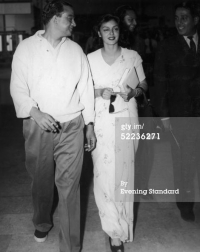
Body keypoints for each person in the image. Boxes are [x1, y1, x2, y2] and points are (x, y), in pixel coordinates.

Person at [10, 1, 96, 251]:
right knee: (41, 181)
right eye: (70, 18)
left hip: (72, 126)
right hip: (39, 127)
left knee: (70, 186)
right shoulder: (26, 48)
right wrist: (35, 112)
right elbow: (17, 88)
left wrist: (89, 124)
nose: (74, 23)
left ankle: (70, 247)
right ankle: (42, 221)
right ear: (55, 18)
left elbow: (86, 89)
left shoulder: (76, 50)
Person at [87, 14, 147, 252]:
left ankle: (123, 225)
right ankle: (114, 233)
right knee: (103, 175)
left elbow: (143, 84)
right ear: (98, 33)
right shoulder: (89, 59)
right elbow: (82, 91)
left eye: (114, 29)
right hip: (101, 121)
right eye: (105, 29)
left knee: (123, 175)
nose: (111, 33)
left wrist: (133, 93)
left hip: (127, 118)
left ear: (120, 32)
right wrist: (98, 91)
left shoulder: (132, 56)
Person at [153, 0, 200, 222]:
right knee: (183, 161)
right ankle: (185, 204)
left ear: (196, 20)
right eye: (177, 18)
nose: (179, 22)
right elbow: (160, 81)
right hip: (181, 115)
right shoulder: (167, 45)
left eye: (185, 18)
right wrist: (164, 115)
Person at [115, 5, 154, 199]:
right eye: (130, 20)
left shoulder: (138, 42)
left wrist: (138, 90)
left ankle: (141, 185)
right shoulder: (110, 46)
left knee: (145, 145)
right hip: (121, 103)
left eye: (135, 19)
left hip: (140, 99)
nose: (135, 23)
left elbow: (145, 75)